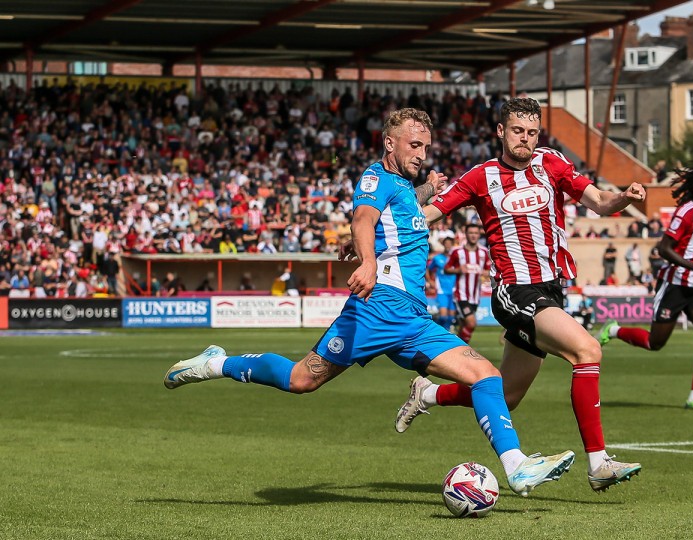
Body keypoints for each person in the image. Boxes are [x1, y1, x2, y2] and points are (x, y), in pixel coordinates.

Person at [163, 108, 575, 497]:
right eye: (414, 145)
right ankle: (216, 363)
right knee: (300, 380)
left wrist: (429, 188)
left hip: (410, 316)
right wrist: (368, 260)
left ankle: (517, 466)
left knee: (486, 376)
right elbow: (363, 218)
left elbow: (398, 215)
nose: (421, 153)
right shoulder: (375, 178)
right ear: (390, 143)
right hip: (378, 307)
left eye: (426, 146)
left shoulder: (404, 188)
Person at [394, 97, 646, 492]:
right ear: (500, 131)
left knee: (506, 396)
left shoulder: (553, 163)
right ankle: (599, 463)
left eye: (531, 132)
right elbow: (428, 215)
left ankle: (427, 394)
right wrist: (378, 226)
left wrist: (624, 199)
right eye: (517, 131)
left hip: (550, 290)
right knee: (587, 350)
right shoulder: (480, 176)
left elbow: (598, 201)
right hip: (514, 290)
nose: (525, 139)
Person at [594, 164, 693, 412]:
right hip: (674, 283)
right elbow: (664, 249)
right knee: (656, 342)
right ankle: (615, 330)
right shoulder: (686, 213)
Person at [443, 223, 490, 344]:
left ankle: (457, 350)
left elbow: (489, 270)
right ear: (466, 235)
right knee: (471, 323)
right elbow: (446, 269)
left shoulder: (484, 252)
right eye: (471, 233)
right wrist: (458, 270)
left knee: (465, 326)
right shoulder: (457, 252)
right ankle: (464, 349)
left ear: (479, 234)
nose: (473, 236)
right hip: (461, 294)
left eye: (476, 233)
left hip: (475, 296)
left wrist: (486, 272)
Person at [427, 236, 457, 330]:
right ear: (443, 244)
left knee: (451, 317)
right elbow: (428, 269)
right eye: (446, 243)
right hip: (442, 290)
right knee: (443, 316)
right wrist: (430, 281)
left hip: (454, 290)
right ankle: (435, 328)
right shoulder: (437, 258)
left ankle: (446, 334)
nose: (448, 245)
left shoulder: (456, 258)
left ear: (452, 245)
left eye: (450, 243)